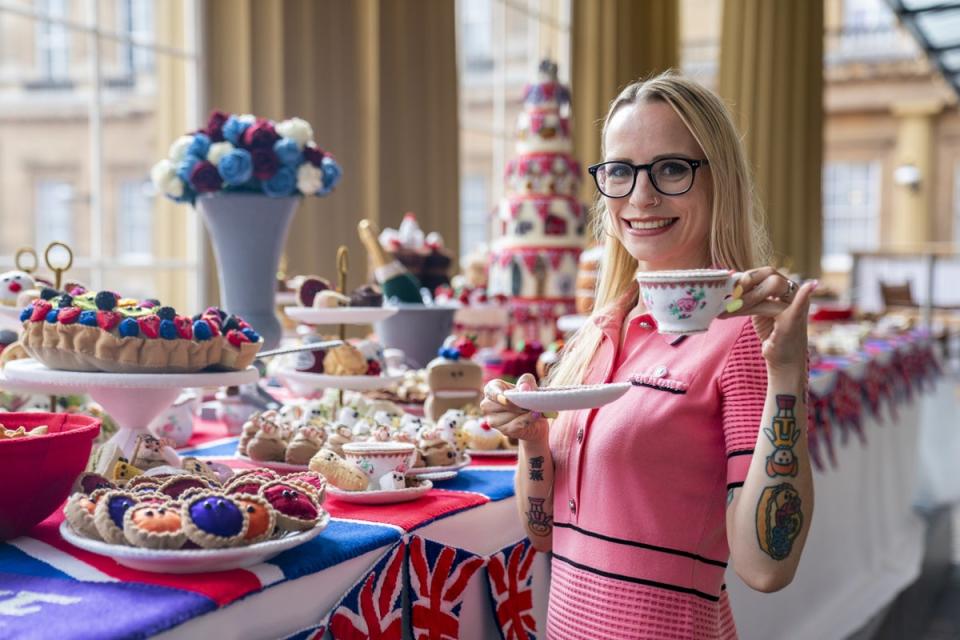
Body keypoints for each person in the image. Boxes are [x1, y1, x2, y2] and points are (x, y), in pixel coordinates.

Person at [481, 71, 816, 639]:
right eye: (620, 171)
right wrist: (533, 436)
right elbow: (545, 534)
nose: (640, 196)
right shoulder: (599, 331)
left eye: (670, 168)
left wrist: (786, 375)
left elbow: (765, 567)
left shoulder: (742, 338)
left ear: (719, 181)